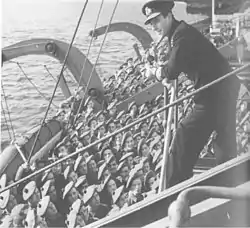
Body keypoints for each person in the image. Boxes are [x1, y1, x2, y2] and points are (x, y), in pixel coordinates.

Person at [142, 0, 240, 186]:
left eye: (156, 20)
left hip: (214, 93)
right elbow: (176, 62)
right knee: (223, 142)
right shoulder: (179, 33)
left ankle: (173, 190)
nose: (154, 26)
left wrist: (154, 72)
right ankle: (229, 185)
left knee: (183, 136)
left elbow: (171, 72)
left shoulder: (181, 36)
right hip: (222, 88)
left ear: (169, 15)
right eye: (151, 23)